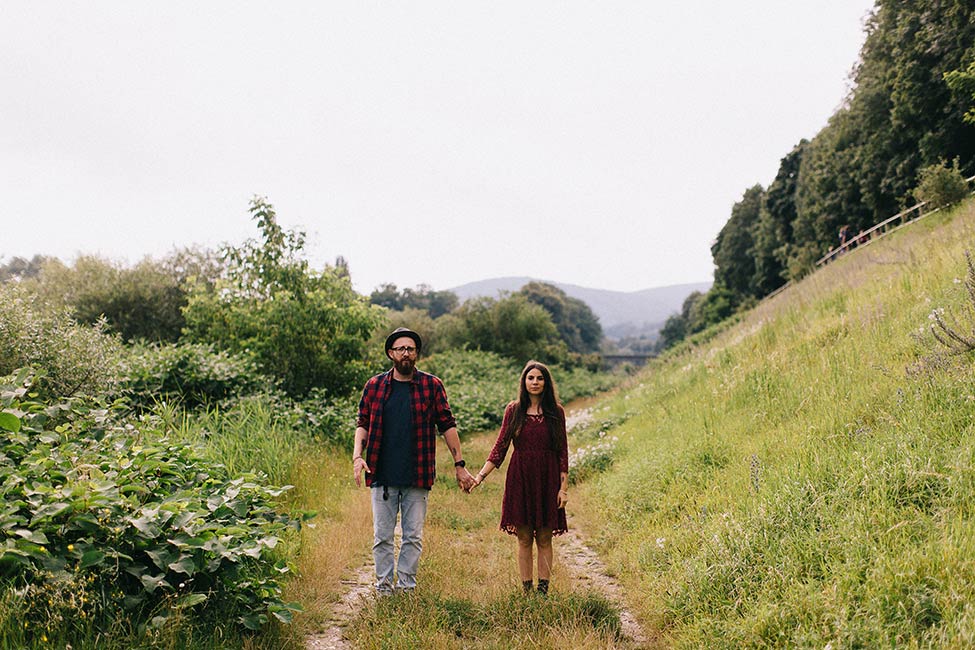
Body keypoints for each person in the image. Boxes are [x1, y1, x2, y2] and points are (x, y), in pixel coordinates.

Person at [352, 327, 476, 594]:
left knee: (413, 538)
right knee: (382, 538)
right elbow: (362, 423)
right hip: (382, 474)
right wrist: (357, 456)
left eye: (410, 349)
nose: (406, 353)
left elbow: (447, 425)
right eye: (400, 349)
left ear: (417, 353)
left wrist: (460, 464)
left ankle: (407, 588)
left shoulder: (432, 386)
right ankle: (384, 589)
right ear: (390, 353)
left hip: (417, 475)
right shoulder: (374, 386)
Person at [470, 360, 569, 595]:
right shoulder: (513, 410)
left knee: (545, 537)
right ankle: (527, 592)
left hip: (548, 478)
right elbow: (500, 448)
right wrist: (480, 476)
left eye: (540, 378)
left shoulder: (556, 411)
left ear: (546, 383)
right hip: (521, 477)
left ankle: (543, 592)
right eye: (530, 378)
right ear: (524, 382)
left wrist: (563, 488)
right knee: (524, 538)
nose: (535, 382)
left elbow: (562, 451)